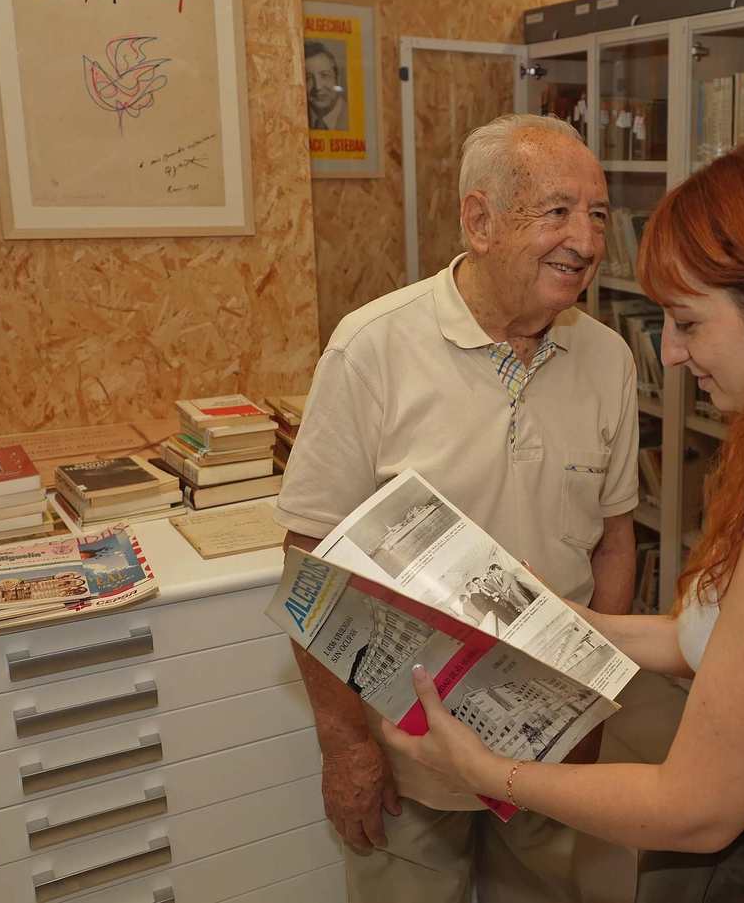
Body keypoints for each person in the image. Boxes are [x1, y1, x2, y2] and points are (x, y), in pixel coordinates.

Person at [379, 138, 744, 903]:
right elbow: (721, 640)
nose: (668, 353)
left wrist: (484, 770)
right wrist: (554, 616)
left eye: (689, 323)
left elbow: (693, 809)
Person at [272, 113, 640, 903]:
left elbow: (614, 546)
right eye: (558, 211)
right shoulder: (370, 349)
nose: (587, 238)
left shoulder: (608, 358)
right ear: (480, 220)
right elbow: (311, 564)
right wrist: (346, 746)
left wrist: (591, 715)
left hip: (548, 754)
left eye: (599, 213)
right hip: (407, 759)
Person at [305, 40, 349, 131]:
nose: (318, 86)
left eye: (324, 75)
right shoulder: (296, 120)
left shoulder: (357, 117)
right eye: (308, 78)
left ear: (337, 79)